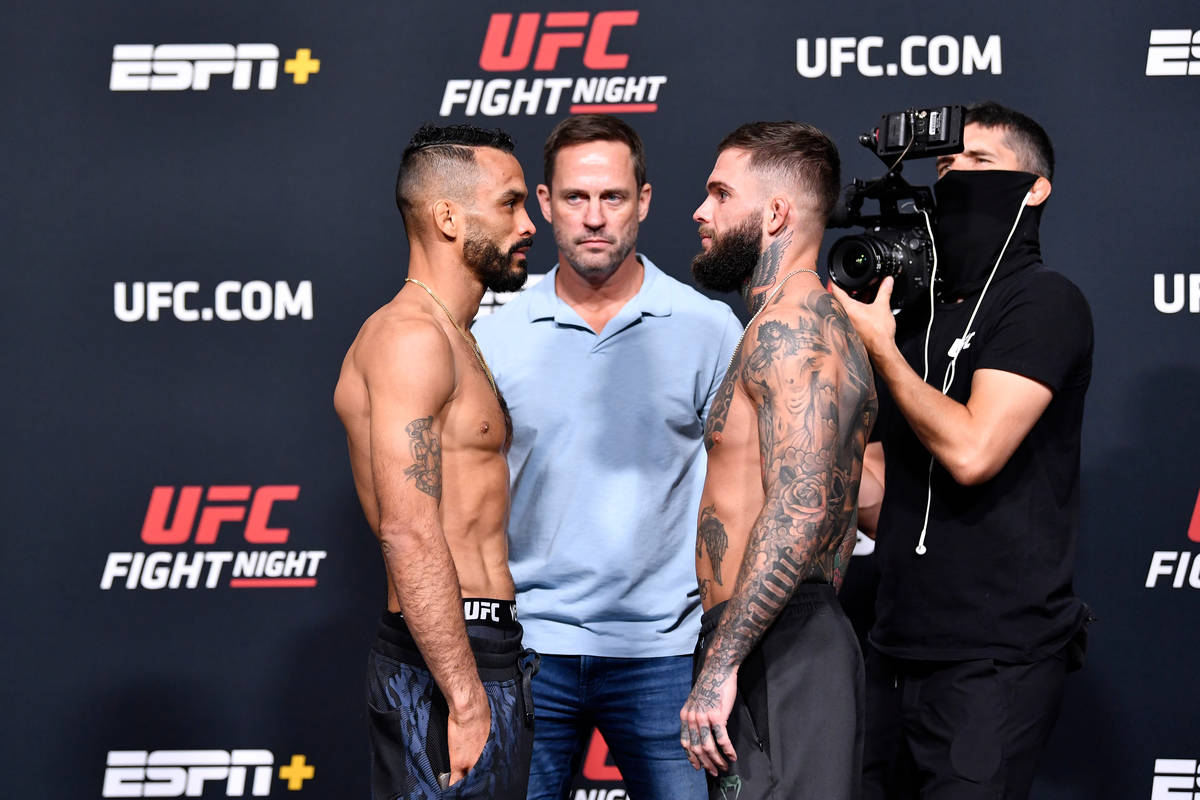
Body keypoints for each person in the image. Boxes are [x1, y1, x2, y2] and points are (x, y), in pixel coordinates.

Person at [472, 114, 741, 800]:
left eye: (613, 197)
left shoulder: (707, 328)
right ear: (544, 203)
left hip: (666, 653)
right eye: (575, 198)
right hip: (529, 647)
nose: (594, 218)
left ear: (644, 202)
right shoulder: (493, 336)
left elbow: (743, 493)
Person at [830, 102, 1094, 799]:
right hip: (894, 642)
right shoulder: (916, 317)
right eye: (945, 165)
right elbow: (888, 498)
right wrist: (812, 417)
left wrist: (882, 353)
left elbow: (974, 450)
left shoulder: (1044, 303)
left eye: (979, 164)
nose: (955, 179)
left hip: (993, 658)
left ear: (1035, 187)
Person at [334, 123, 539, 800]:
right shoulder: (410, 338)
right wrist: (464, 696)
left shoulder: (454, 336)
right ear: (447, 217)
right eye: (510, 203)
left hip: (483, 653)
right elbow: (409, 529)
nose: (529, 222)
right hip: (448, 663)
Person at [681, 121, 877, 800]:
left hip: (781, 642)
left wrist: (722, 661)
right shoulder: (781, 327)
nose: (701, 213)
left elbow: (799, 509)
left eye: (720, 193)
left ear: (775, 214)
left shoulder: (798, 331)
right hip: (766, 636)